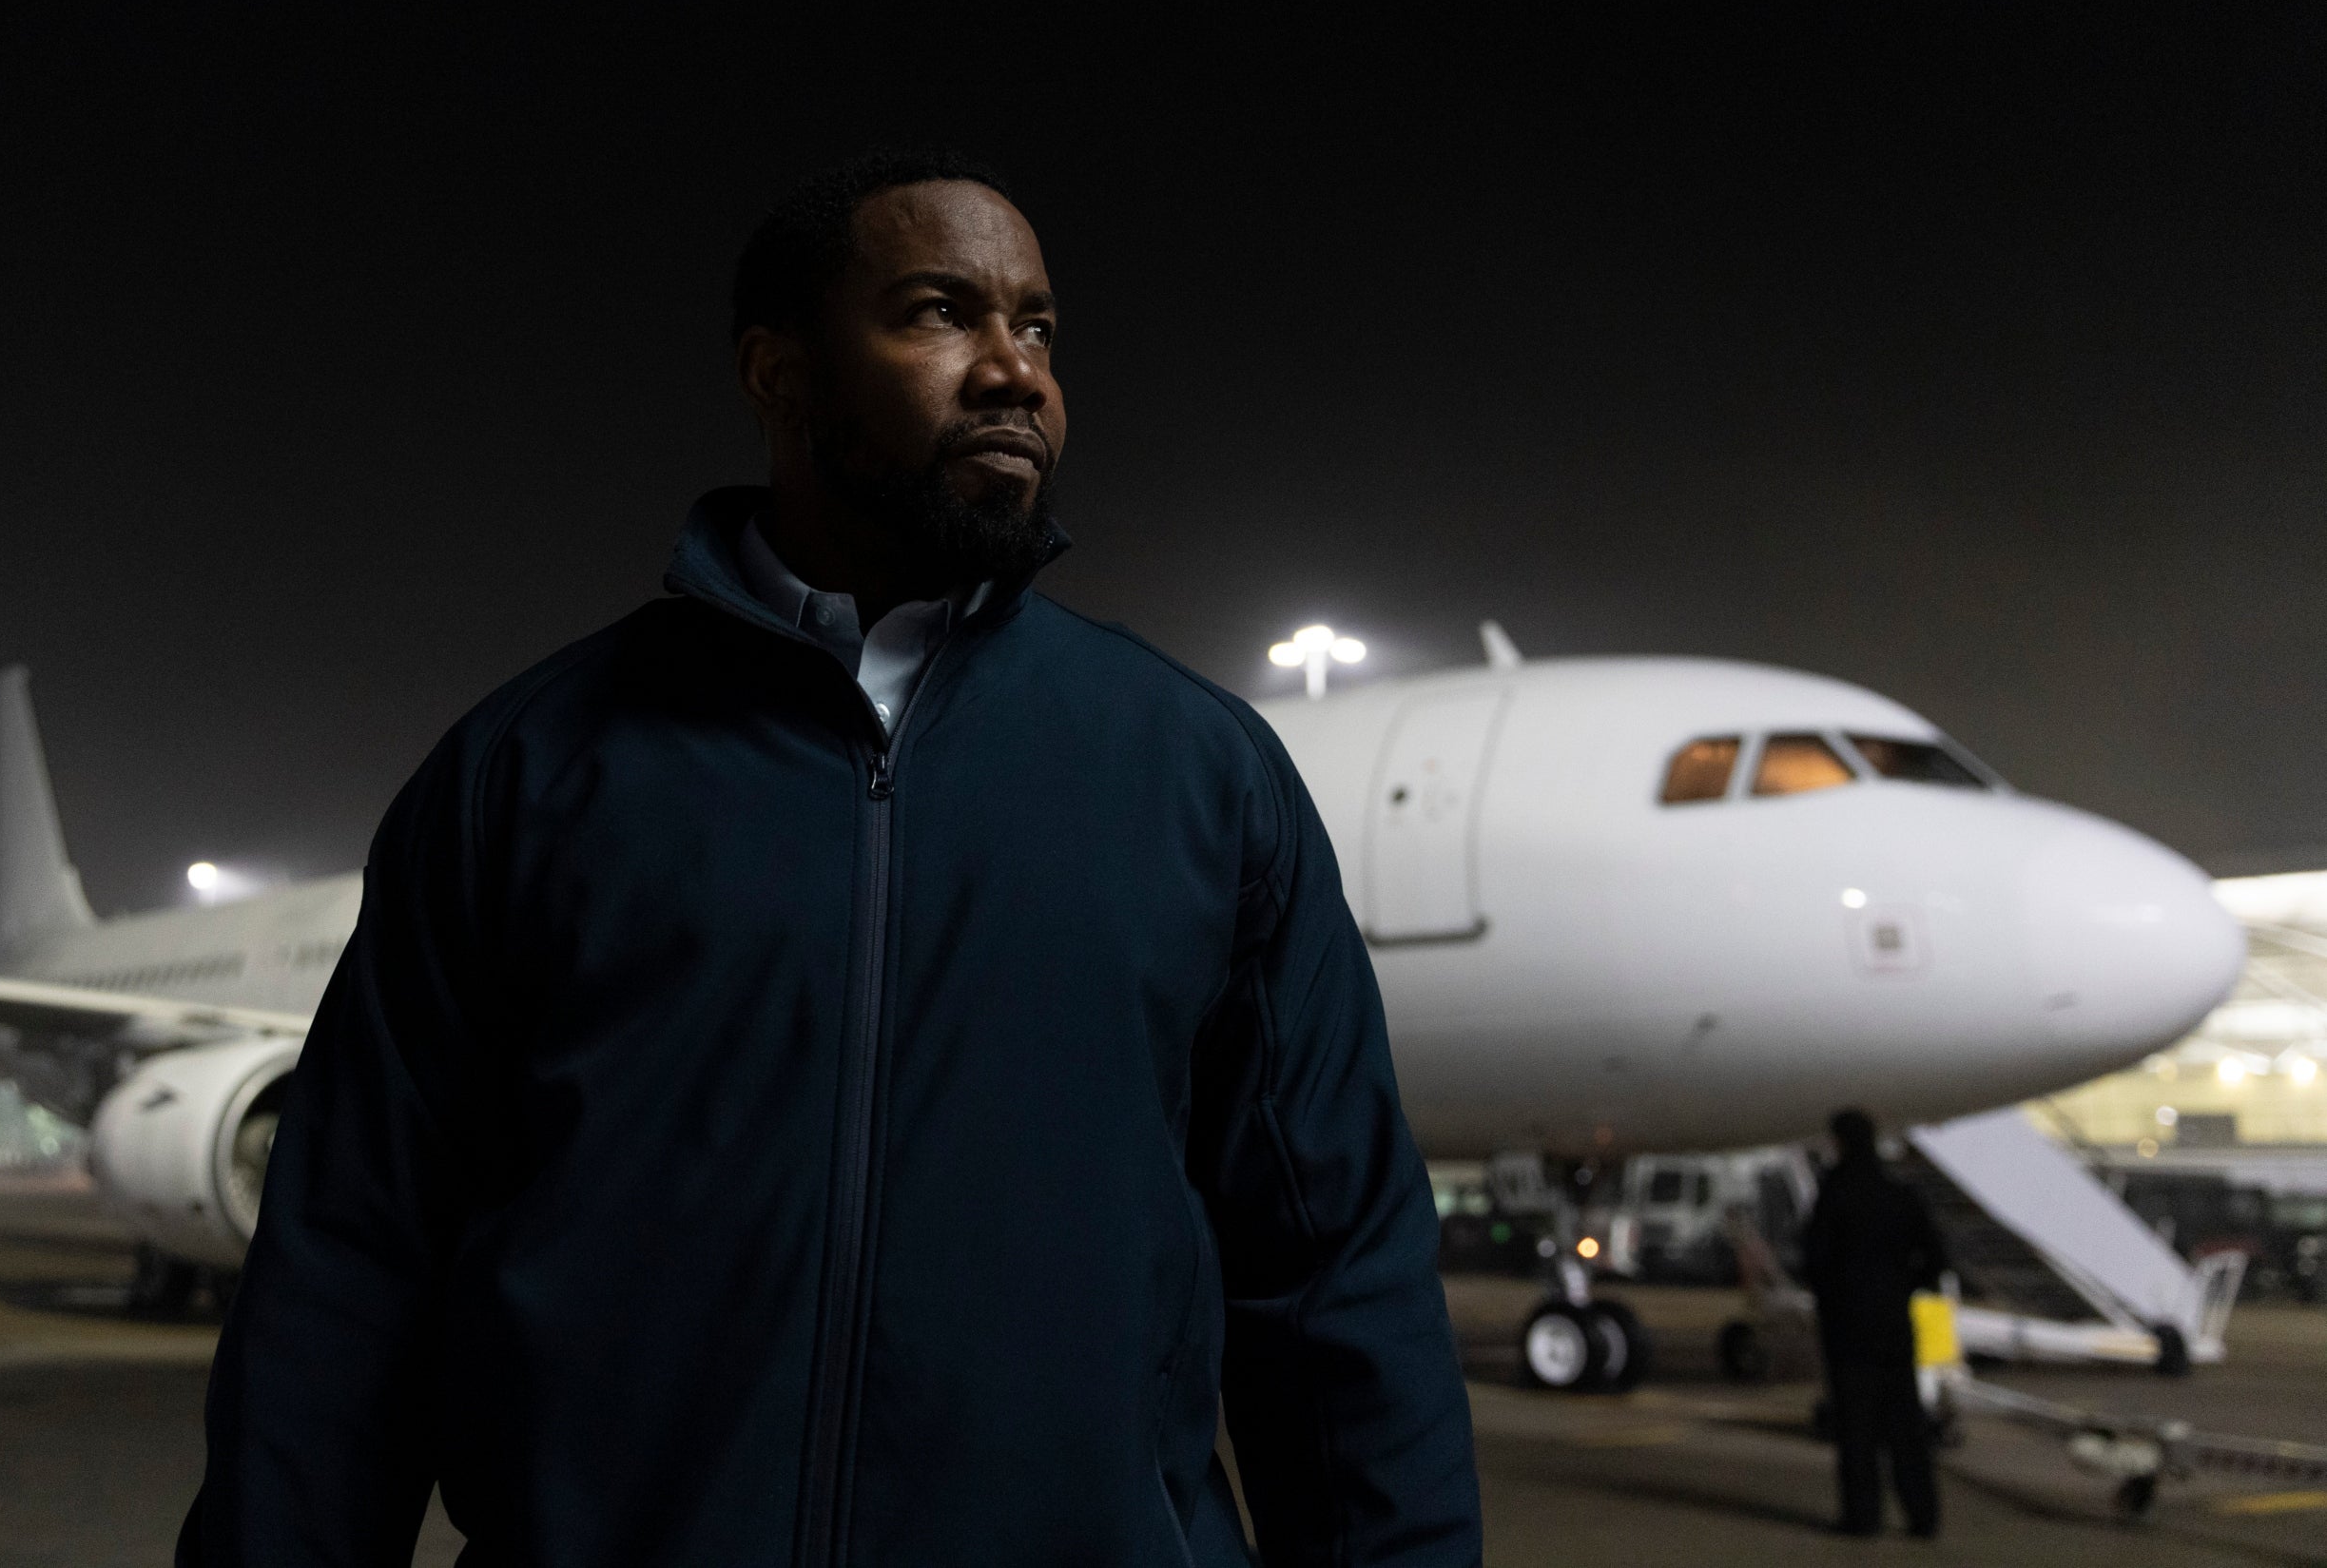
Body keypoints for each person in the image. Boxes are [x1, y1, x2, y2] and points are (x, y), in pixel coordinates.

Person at [179, 150, 1480, 1565]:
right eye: (939, 313)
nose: (1012, 372)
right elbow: (346, 1297)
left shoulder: (1204, 780)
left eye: (1036, 327)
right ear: (776, 372)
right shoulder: (527, 775)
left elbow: (1340, 1298)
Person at [1801, 1107, 1949, 1539]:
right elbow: (1936, 1260)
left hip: (1848, 1330)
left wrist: (1834, 1297)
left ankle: (1863, 1517)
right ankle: (1923, 1516)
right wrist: (1903, 1285)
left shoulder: (1835, 1194)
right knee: (1906, 1427)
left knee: (1858, 1429)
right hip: (1893, 1326)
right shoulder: (1899, 1193)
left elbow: (1815, 1260)